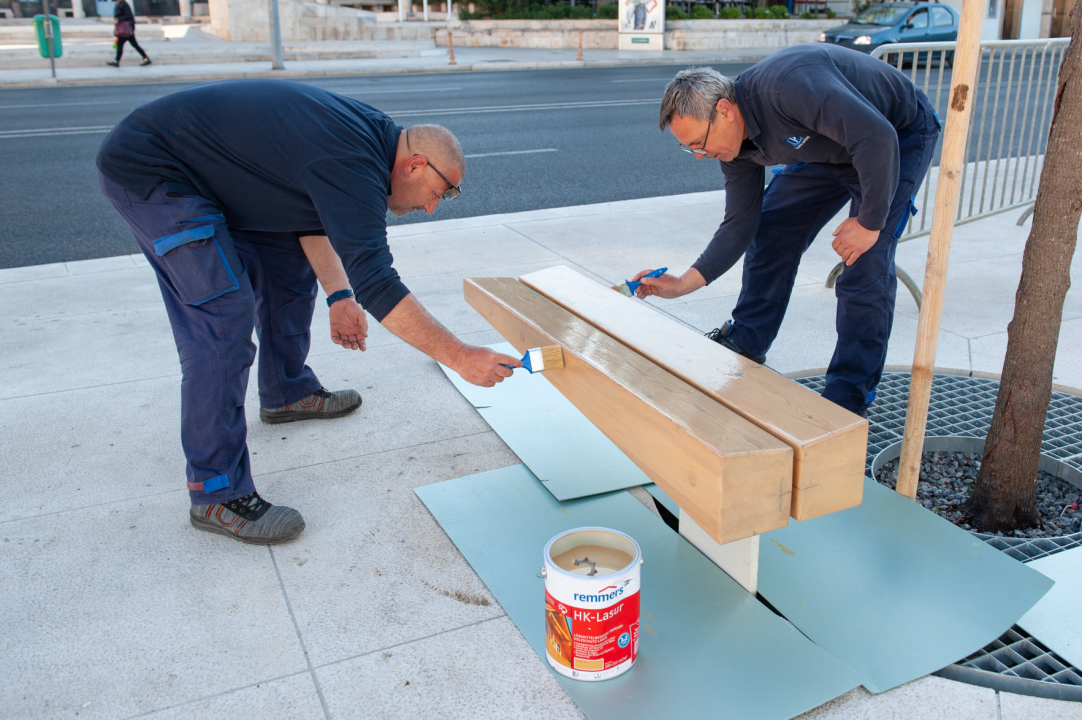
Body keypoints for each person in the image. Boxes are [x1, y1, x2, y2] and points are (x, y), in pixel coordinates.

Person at [96, 79, 520, 545]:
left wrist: (340, 297)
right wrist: (459, 356)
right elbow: (379, 284)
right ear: (416, 163)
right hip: (156, 173)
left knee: (286, 269)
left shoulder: (372, 141)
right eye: (442, 191)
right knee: (222, 319)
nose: (432, 207)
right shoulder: (355, 164)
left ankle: (286, 392)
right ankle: (216, 492)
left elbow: (312, 216)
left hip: (219, 176)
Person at [634, 45, 941, 417]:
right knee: (771, 230)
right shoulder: (732, 148)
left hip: (895, 135)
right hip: (828, 150)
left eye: (699, 143)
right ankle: (746, 342)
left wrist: (869, 223)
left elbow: (876, 137)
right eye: (690, 149)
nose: (700, 155)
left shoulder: (789, 87)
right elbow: (740, 223)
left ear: (725, 111)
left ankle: (847, 400)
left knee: (864, 263)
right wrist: (684, 283)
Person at [107, 0, 151, 67]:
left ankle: (117, 61)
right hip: (125, 30)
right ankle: (146, 58)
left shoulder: (124, 4)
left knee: (120, 44)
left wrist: (119, 19)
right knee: (134, 45)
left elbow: (128, 15)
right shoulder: (119, 4)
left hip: (126, 29)